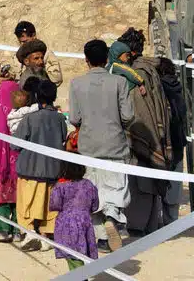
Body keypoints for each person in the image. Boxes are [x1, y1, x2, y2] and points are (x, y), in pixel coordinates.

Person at [68, 39, 134, 252]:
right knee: (115, 190)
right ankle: (112, 218)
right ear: (107, 59)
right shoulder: (119, 82)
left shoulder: (76, 84)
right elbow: (128, 115)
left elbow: (75, 118)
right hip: (114, 145)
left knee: (93, 193)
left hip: (88, 147)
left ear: (86, 60)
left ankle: (103, 238)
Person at [121, 32, 173, 236]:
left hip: (143, 134)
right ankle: (149, 223)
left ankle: (138, 225)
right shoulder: (149, 68)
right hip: (154, 133)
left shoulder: (138, 72)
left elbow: (138, 110)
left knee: (141, 182)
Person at [12, 80, 66, 251]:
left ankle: (29, 232)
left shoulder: (30, 118)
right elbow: (63, 139)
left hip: (30, 170)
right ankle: (45, 237)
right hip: (52, 171)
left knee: (26, 204)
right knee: (48, 206)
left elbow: (15, 145)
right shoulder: (59, 119)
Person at [0, 79, 22, 243]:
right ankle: (17, 230)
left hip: (1, 166)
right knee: (18, 197)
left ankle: (3, 230)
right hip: (19, 164)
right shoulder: (22, 114)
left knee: (1, 196)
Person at [49, 160, 100, 271]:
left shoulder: (60, 186)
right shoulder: (89, 184)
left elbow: (54, 205)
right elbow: (95, 206)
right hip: (85, 223)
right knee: (79, 254)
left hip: (66, 225)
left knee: (73, 257)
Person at [159, 57, 188, 224]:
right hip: (178, 140)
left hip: (164, 141)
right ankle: (173, 222)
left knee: (160, 181)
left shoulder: (158, 89)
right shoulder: (178, 87)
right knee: (175, 184)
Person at [13, 21, 62, 87]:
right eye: (20, 42)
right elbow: (15, 77)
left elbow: (56, 79)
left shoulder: (46, 54)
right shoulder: (19, 55)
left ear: (33, 36)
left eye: (25, 42)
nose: (22, 45)